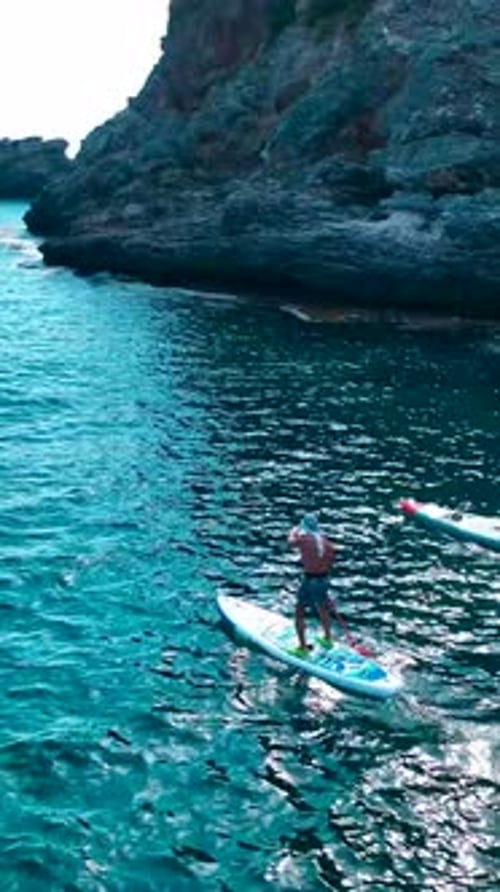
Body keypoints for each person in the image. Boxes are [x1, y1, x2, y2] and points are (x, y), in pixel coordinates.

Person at [288, 513, 336, 655]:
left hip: (310, 580)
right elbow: (330, 561)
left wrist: (293, 531)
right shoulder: (326, 542)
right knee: (322, 607)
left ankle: (302, 648)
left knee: (299, 611)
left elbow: (291, 543)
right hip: (324, 579)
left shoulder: (304, 539)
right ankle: (327, 638)